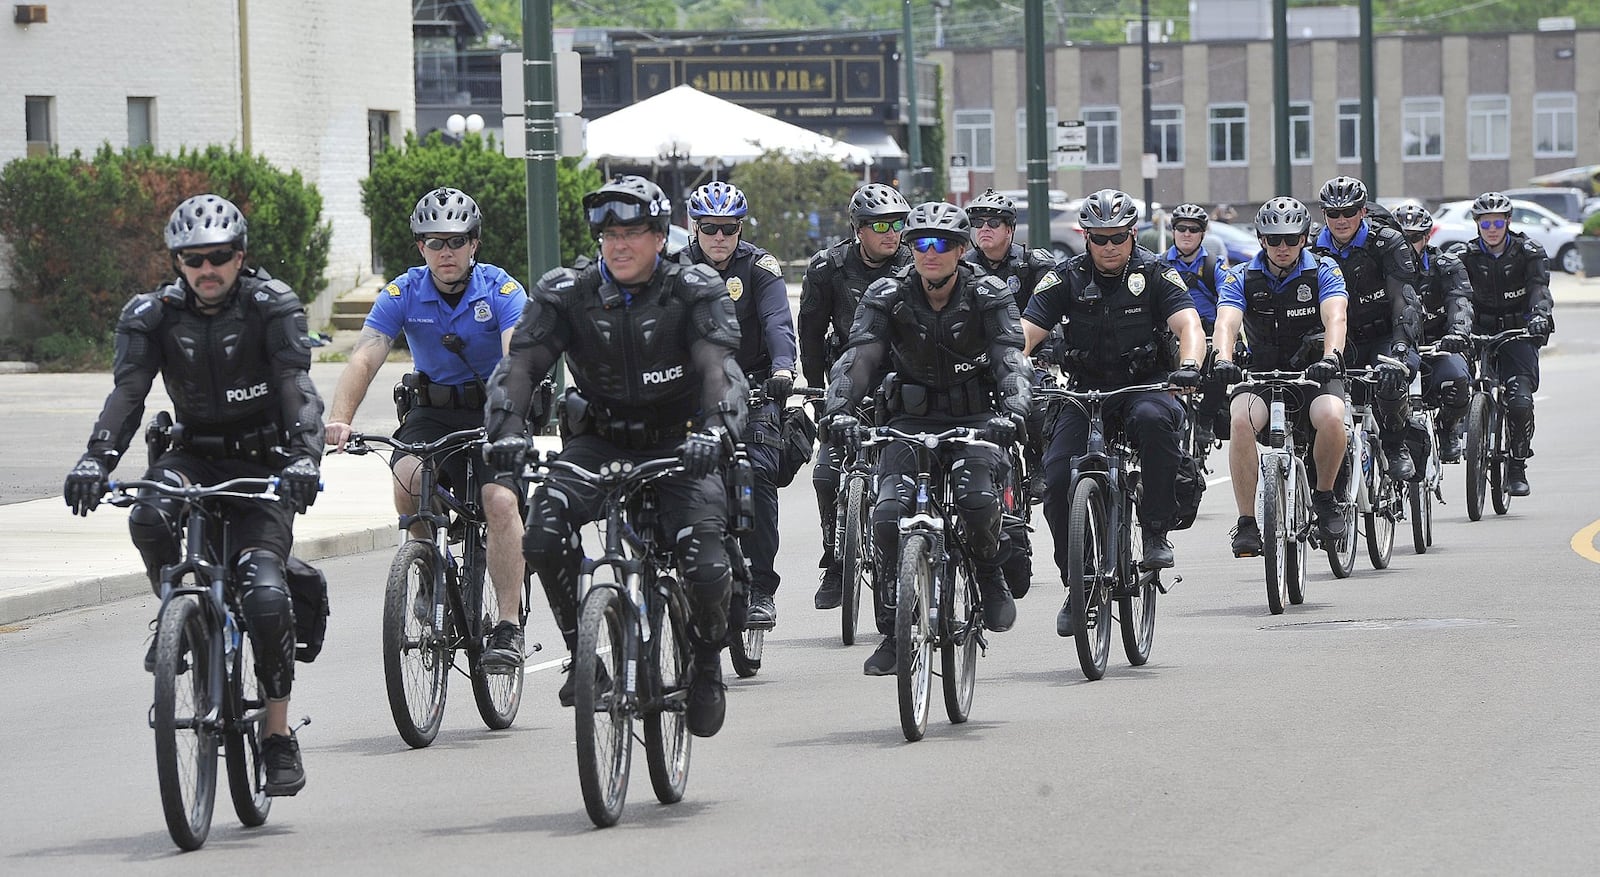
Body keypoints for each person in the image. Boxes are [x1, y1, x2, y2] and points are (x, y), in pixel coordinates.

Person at [62, 193, 325, 796]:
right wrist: (93, 458)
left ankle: (278, 738)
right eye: (192, 260)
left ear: (240, 255)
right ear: (177, 262)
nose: (206, 270)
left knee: (263, 596)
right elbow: (128, 396)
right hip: (190, 453)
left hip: (265, 464)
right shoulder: (151, 314)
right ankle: (174, 607)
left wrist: (306, 458)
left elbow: (296, 384)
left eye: (219, 257)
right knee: (149, 516)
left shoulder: (271, 305)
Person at [480, 175, 746, 738]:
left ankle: (703, 663)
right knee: (543, 530)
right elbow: (521, 368)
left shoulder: (694, 288)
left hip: (682, 441)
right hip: (599, 440)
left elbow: (721, 371)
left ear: (660, 236)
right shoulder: (564, 292)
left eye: (632, 233)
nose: (619, 245)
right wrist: (507, 432)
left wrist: (718, 428)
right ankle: (585, 654)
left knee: (705, 564)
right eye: (608, 234)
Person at [323, 187, 529, 671]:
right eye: (434, 243)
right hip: (432, 410)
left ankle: (506, 626)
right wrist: (340, 419)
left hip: (494, 409)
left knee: (499, 503)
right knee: (407, 476)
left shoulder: (501, 290)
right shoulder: (403, 292)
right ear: (421, 247)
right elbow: (366, 354)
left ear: (474, 243)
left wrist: (509, 416)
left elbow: (517, 358)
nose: (446, 252)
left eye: (456, 242)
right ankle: (428, 574)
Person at [820, 201, 1030, 676]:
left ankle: (988, 571)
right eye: (919, 243)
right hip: (908, 423)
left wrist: (1014, 408)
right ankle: (896, 630)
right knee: (889, 516)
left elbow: (1010, 359)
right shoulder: (887, 292)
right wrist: (839, 410)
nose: (928, 253)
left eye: (939, 244)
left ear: (960, 250)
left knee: (977, 503)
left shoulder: (988, 293)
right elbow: (860, 359)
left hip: (976, 420)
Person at [1021, 189, 1204, 635]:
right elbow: (1024, 332)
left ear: (1132, 234)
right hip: (1085, 392)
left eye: (1118, 238)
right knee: (1059, 477)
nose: (1108, 247)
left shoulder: (1157, 272)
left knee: (1155, 420)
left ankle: (1156, 530)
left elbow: (1188, 325)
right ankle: (1077, 584)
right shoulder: (1064, 277)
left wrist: (1189, 367)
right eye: (1099, 238)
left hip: (1146, 385)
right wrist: (1010, 369)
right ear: (1086, 237)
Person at [676, 181, 797, 627]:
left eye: (729, 229)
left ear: (740, 228)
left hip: (754, 388)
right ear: (695, 227)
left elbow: (777, 320)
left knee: (759, 473)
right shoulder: (675, 268)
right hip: (689, 392)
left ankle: (762, 587)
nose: (720, 238)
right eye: (710, 228)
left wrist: (784, 369)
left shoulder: (759, 266)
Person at [1211, 197, 1350, 557]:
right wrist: (1223, 358)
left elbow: (1336, 316)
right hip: (1261, 372)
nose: (1283, 247)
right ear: (1261, 240)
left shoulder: (1323, 270)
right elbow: (1226, 321)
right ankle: (1246, 523)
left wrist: (1331, 357)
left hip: (1314, 370)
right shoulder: (1240, 276)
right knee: (1239, 420)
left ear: (1305, 238)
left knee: (1333, 418)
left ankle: (1324, 498)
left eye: (1291, 238)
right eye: (1274, 240)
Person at [798, 183, 913, 611]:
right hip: (848, 383)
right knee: (826, 474)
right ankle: (835, 555)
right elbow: (810, 334)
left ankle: (898, 568)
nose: (891, 233)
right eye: (880, 225)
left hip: (904, 385)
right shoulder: (828, 267)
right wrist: (815, 391)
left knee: (894, 484)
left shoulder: (913, 263)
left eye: (898, 224)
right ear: (858, 229)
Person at [1310, 175, 1423, 481]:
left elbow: (1404, 299)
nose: (1341, 220)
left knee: (1391, 380)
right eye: (1333, 213)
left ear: (1363, 212)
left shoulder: (1388, 242)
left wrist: (1400, 350)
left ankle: (1396, 445)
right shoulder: (1311, 248)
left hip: (1386, 334)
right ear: (1324, 215)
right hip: (1339, 340)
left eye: (1349, 212)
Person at [1449, 191, 1554, 496]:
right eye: (1485, 222)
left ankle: (1518, 464)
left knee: (1520, 402)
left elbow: (1539, 290)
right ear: (1477, 224)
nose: (1492, 228)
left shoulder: (1529, 251)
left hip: (1518, 331)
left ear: (1508, 221)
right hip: (1478, 332)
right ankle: (1465, 429)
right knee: (1456, 381)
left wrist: (1539, 316)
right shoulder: (1464, 256)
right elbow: (1456, 295)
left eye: (1497, 221)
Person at [962, 187, 1059, 500]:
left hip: (1029, 357)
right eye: (978, 224)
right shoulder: (961, 268)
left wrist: (1040, 356)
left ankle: (1038, 464)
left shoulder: (1034, 265)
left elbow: (1051, 317)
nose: (984, 229)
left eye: (993, 223)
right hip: (977, 359)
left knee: (1038, 402)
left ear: (1010, 229)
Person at [1392, 201, 1474, 464]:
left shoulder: (1446, 265)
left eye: (1414, 238)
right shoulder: (1384, 269)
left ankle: (1448, 429)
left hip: (1439, 346)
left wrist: (1458, 333)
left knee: (1458, 380)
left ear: (1427, 237)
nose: (1407, 244)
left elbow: (1459, 301)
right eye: (1401, 237)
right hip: (1399, 349)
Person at [1160, 202, 1231, 450]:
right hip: (1169, 334)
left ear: (1203, 233)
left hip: (1207, 332)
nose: (1187, 234)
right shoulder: (1159, 265)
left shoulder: (1214, 266)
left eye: (1193, 229)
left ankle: (1206, 421)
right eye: (1181, 228)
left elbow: (1228, 300)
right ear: (1173, 231)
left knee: (1220, 362)